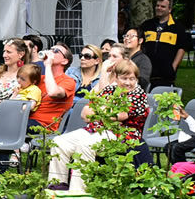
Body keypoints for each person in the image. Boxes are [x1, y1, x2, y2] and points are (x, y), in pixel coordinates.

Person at [47, 60, 149, 192]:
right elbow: (85, 114)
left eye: (132, 79)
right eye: (124, 78)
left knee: (86, 144)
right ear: (116, 78)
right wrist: (104, 111)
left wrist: (99, 110)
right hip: (97, 129)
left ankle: (78, 190)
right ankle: (57, 186)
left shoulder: (138, 94)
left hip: (123, 134)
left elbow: (119, 116)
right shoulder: (110, 89)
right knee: (59, 142)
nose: (128, 83)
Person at [139, 0, 192, 88]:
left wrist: (173, 67)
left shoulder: (178, 27)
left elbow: (182, 48)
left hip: (165, 74)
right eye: (157, 5)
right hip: (146, 72)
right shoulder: (147, 25)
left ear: (170, 9)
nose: (159, 8)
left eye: (163, 6)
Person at [28, 43, 78, 131]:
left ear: (64, 61)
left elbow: (52, 92)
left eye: (56, 51)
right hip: (27, 118)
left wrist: (47, 65)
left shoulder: (68, 81)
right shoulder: (39, 78)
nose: (51, 52)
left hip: (44, 125)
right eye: (51, 49)